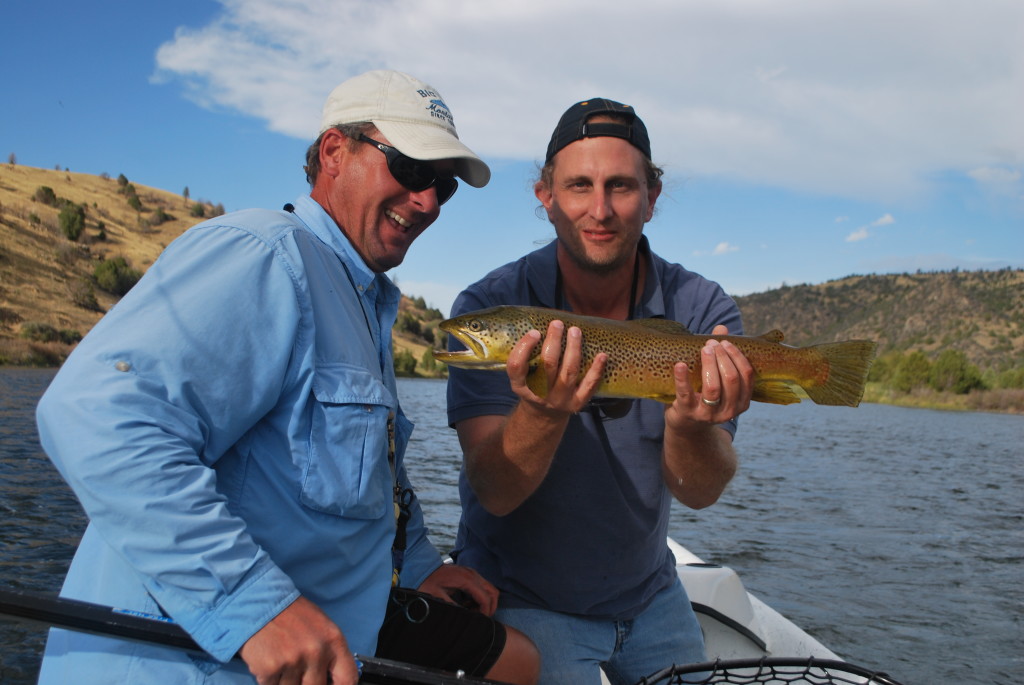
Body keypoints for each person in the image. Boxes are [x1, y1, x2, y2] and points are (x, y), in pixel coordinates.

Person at [35, 69, 539, 685]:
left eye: (443, 185)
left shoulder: (363, 299)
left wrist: (419, 568)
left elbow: (371, 474)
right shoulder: (267, 256)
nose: (428, 201)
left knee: (518, 661)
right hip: (193, 667)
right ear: (334, 152)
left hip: (332, 654)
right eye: (410, 168)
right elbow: (96, 413)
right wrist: (254, 606)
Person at [445, 98, 756, 684]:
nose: (601, 209)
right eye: (579, 186)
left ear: (652, 197)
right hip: (522, 595)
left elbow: (700, 492)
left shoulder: (701, 310)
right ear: (545, 197)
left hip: (651, 594)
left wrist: (690, 428)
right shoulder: (493, 305)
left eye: (621, 186)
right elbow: (495, 493)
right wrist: (542, 412)